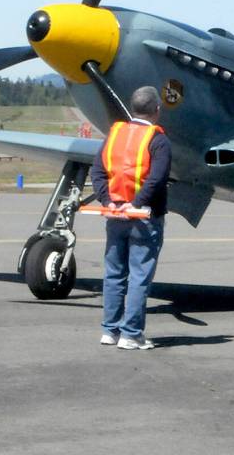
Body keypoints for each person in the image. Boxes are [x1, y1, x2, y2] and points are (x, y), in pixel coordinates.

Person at [89, 86, 172, 350]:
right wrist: (136, 204)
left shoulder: (114, 135)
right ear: (157, 110)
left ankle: (109, 330)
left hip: (115, 214)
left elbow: (97, 171)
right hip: (144, 217)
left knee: (114, 273)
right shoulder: (158, 140)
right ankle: (131, 333)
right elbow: (157, 179)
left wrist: (108, 200)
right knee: (139, 275)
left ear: (132, 108)